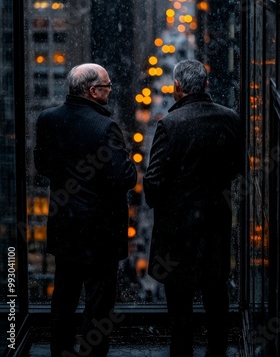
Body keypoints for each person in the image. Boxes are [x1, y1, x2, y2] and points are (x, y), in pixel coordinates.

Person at [34, 63, 137, 357]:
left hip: (65, 225)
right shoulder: (105, 126)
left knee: (64, 295)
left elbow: (43, 166)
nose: (110, 90)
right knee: (98, 302)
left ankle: (60, 349)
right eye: (107, 87)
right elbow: (124, 177)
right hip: (100, 232)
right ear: (93, 92)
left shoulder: (47, 119)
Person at [143, 59, 242, 357]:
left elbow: (154, 181)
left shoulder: (170, 125)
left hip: (178, 232)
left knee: (180, 304)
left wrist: (167, 204)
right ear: (206, 85)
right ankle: (217, 350)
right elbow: (238, 166)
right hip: (215, 225)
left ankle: (183, 351)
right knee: (216, 295)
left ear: (178, 88)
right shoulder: (230, 118)